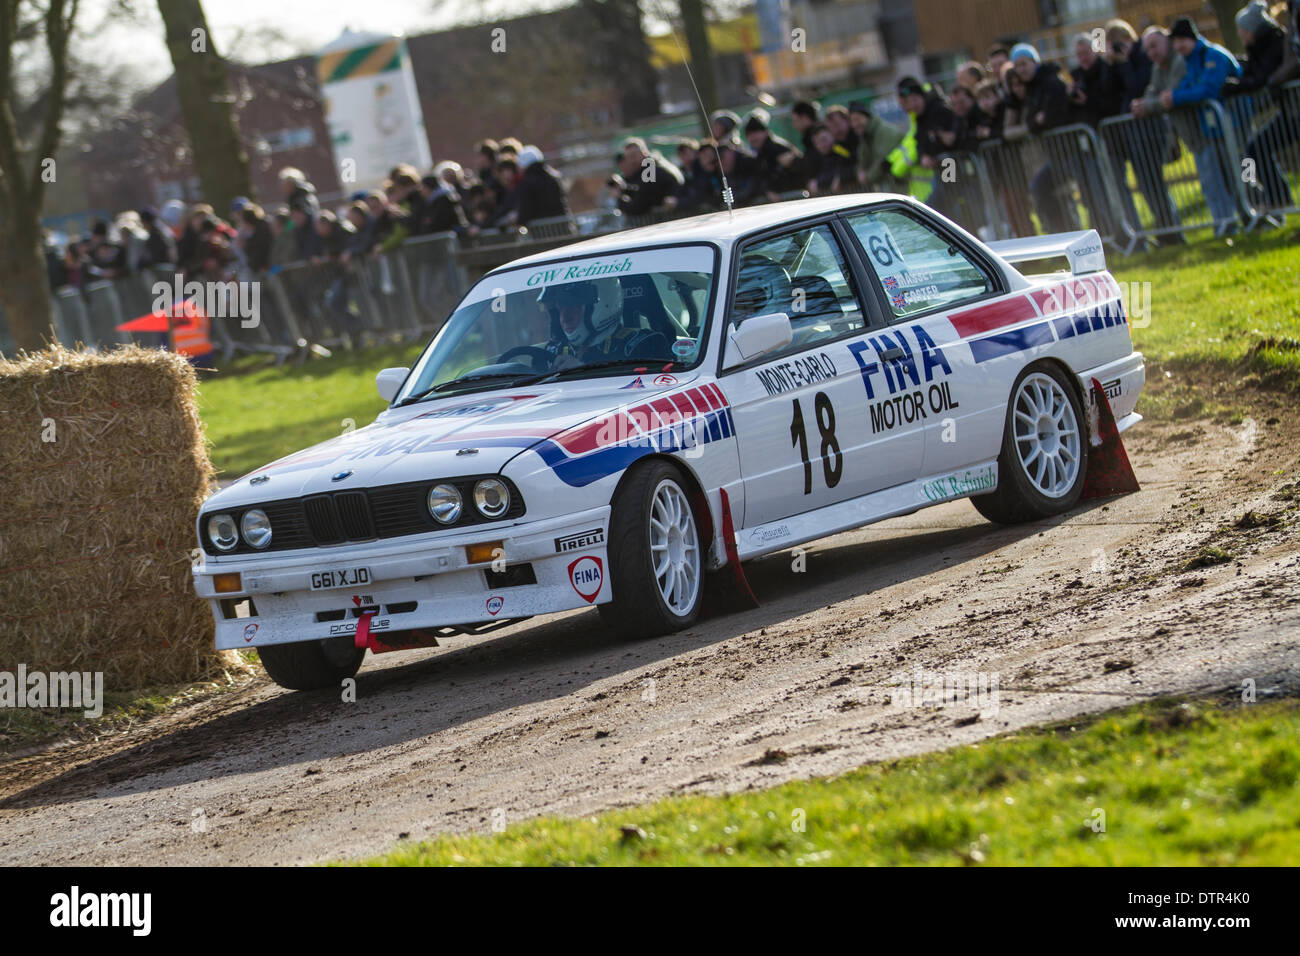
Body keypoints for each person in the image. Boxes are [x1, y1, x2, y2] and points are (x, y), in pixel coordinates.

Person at [1165, 17, 1242, 234]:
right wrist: (1173, 95)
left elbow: (1209, 89)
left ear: (1192, 37)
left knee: (1243, 173)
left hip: (1236, 123)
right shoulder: (1191, 60)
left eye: (1182, 40)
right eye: (1175, 41)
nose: (1178, 46)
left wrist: (1176, 97)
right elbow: (1188, 85)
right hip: (1214, 130)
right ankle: (1229, 224)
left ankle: (1261, 214)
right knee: (1219, 179)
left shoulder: (1213, 55)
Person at [1109, 20, 1184, 242]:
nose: (1118, 49)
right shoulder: (1124, 62)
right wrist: (1112, 64)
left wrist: (1123, 62)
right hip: (1133, 131)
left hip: (1150, 129)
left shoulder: (1143, 56)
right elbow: (1116, 91)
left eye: (1119, 43)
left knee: (1154, 181)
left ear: (1129, 38)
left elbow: (1137, 85)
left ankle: (1171, 231)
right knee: (1146, 183)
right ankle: (1165, 230)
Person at [1237, 0, 1298, 209]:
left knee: (1253, 148)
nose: (1240, 35)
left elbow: (1270, 72)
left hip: (1294, 107)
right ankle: (1277, 198)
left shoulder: (1275, 38)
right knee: (1254, 149)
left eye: (1242, 30)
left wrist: (1274, 80)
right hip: (1290, 109)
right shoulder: (1258, 46)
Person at [536, 278, 669, 365]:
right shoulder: (554, 352)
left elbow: (646, 390)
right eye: (560, 307)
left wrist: (581, 372)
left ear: (604, 304)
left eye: (573, 305)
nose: (565, 318)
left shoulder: (643, 345)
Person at [611, 137, 684, 216]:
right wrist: (625, 190)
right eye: (628, 157)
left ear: (644, 152)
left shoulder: (650, 172)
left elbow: (638, 208)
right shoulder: (653, 166)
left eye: (634, 156)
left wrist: (619, 197)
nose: (631, 161)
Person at [848, 100, 906, 192]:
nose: (855, 124)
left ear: (867, 117)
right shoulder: (866, 136)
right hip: (891, 186)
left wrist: (866, 177)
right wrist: (860, 172)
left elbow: (882, 161)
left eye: (858, 119)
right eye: (852, 121)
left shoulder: (884, 132)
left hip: (901, 185)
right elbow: (862, 160)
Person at [743, 109, 802, 198]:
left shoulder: (778, 148)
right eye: (749, 134)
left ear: (765, 132)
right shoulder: (758, 154)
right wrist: (767, 191)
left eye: (756, 132)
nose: (752, 138)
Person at [513, 145, 570, 228]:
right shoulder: (554, 177)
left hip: (543, 231)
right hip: (563, 227)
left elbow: (526, 208)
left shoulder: (527, 182)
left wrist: (519, 220)